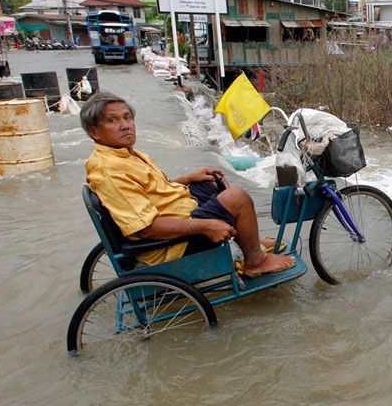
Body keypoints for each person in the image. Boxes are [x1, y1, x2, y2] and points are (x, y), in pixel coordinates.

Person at [80, 91, 294, 277]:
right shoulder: (110, 170)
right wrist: (206, 225)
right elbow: (146, 228)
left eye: (127, 118)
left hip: (176, 214)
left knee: (211, 179)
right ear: (94, 131)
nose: (125, 125)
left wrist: (188, 179)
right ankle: (255, 262)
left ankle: (248, 240)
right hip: (170, 245)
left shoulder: (126, 155)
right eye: (113, 121)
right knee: (237, 198)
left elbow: (151, 190)